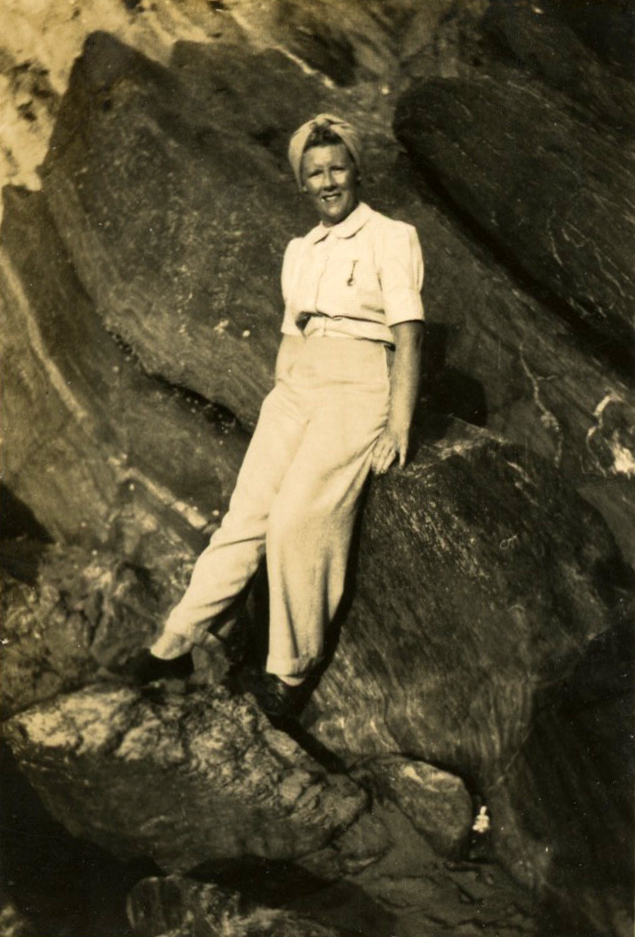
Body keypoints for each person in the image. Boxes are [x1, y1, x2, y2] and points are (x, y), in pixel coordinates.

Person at [149, 113, 424, 717]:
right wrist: (282, 400)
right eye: (315, 173)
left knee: (296, 520)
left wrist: (398, 423)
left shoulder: (392, 236)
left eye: (338, 169)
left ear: (356, 171)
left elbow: (408, 336)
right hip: (298, 385)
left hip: (359, 383)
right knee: (245, 517)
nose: (328, 182)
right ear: (302, 183)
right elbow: (291, 335)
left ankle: (290, 671)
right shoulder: (299, 251)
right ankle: (175, 643)